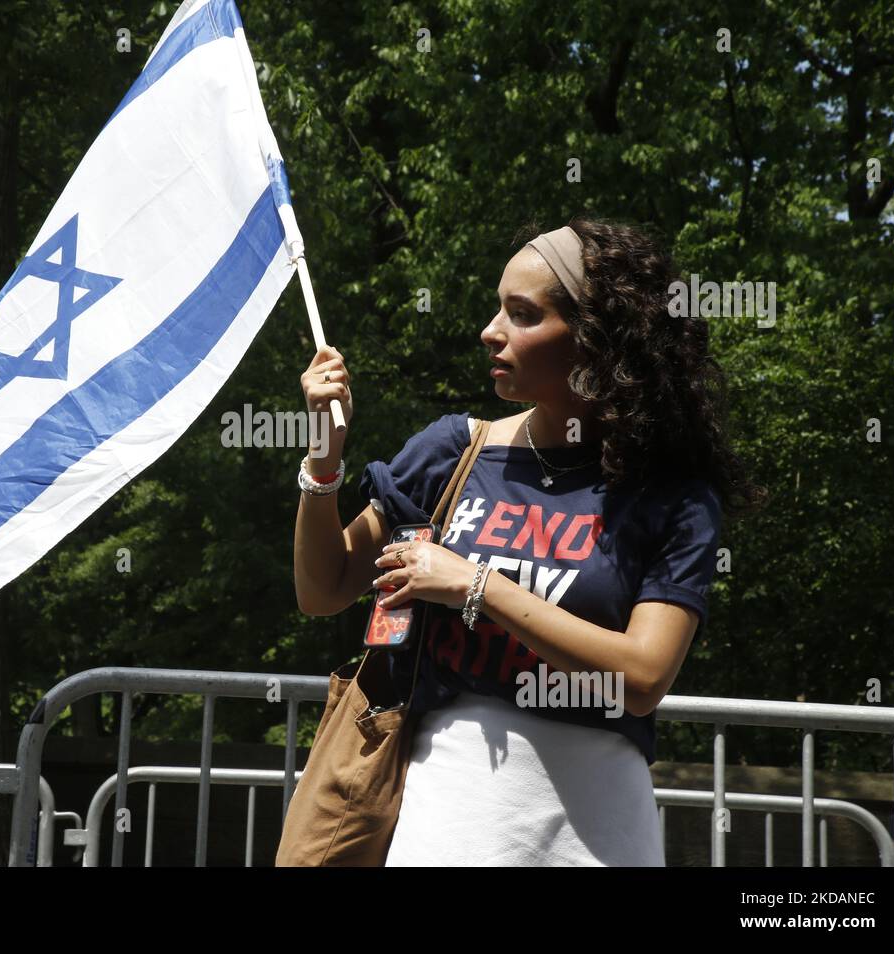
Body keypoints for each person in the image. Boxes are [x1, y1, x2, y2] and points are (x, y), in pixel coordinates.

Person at [292, 217, 766, 866]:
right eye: (498, 309)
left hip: (597, 836)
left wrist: (475, 586)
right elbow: (323, 590)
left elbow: (643, 677)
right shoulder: (454, 453)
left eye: (521, 314)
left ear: (597, 341)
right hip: (446, 821)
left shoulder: (671, 494)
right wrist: (323, 456)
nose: (490, 331)